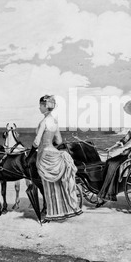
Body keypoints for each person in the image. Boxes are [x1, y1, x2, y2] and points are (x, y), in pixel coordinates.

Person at [29, 95, 82, 223]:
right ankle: (62, 211)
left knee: (48, 185)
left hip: (45, 155)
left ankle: (51, 214)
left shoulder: (43, 122)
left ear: (44, 106)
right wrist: (49, 142)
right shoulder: (55, 122)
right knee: (57, 185)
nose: (39, 107)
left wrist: (32, 151)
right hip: (55, 153)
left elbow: (36, 142)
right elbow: (58, 140)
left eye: (40, 105)